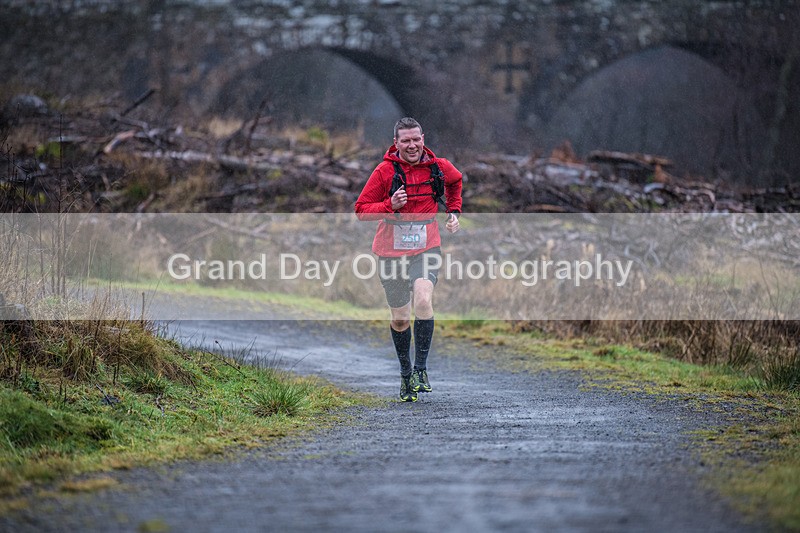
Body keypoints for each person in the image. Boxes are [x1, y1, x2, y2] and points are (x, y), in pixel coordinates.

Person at [355, 117, 462, 402]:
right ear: (396, 143)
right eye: (406, 141)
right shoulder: (384, 171)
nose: (412, 145)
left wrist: (454, 212)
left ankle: (420, 370)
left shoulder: (439, 166)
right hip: (390, 252)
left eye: (416, 139)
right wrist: (389, 205)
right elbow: (361, 210)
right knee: (401, 319)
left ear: (423, 139)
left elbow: (456, 181)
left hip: (427, 247)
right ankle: (405, 374)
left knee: (424, 300)